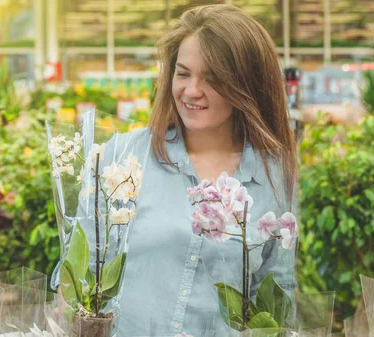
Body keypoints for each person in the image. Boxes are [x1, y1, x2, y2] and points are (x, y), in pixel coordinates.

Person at [52, 4, 298, 336]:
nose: (191, 90)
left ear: (247, 86)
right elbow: (77, 277)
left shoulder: (272, 176)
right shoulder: (122, 159)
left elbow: (276, 298)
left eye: (213, 79)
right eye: (183, 73)